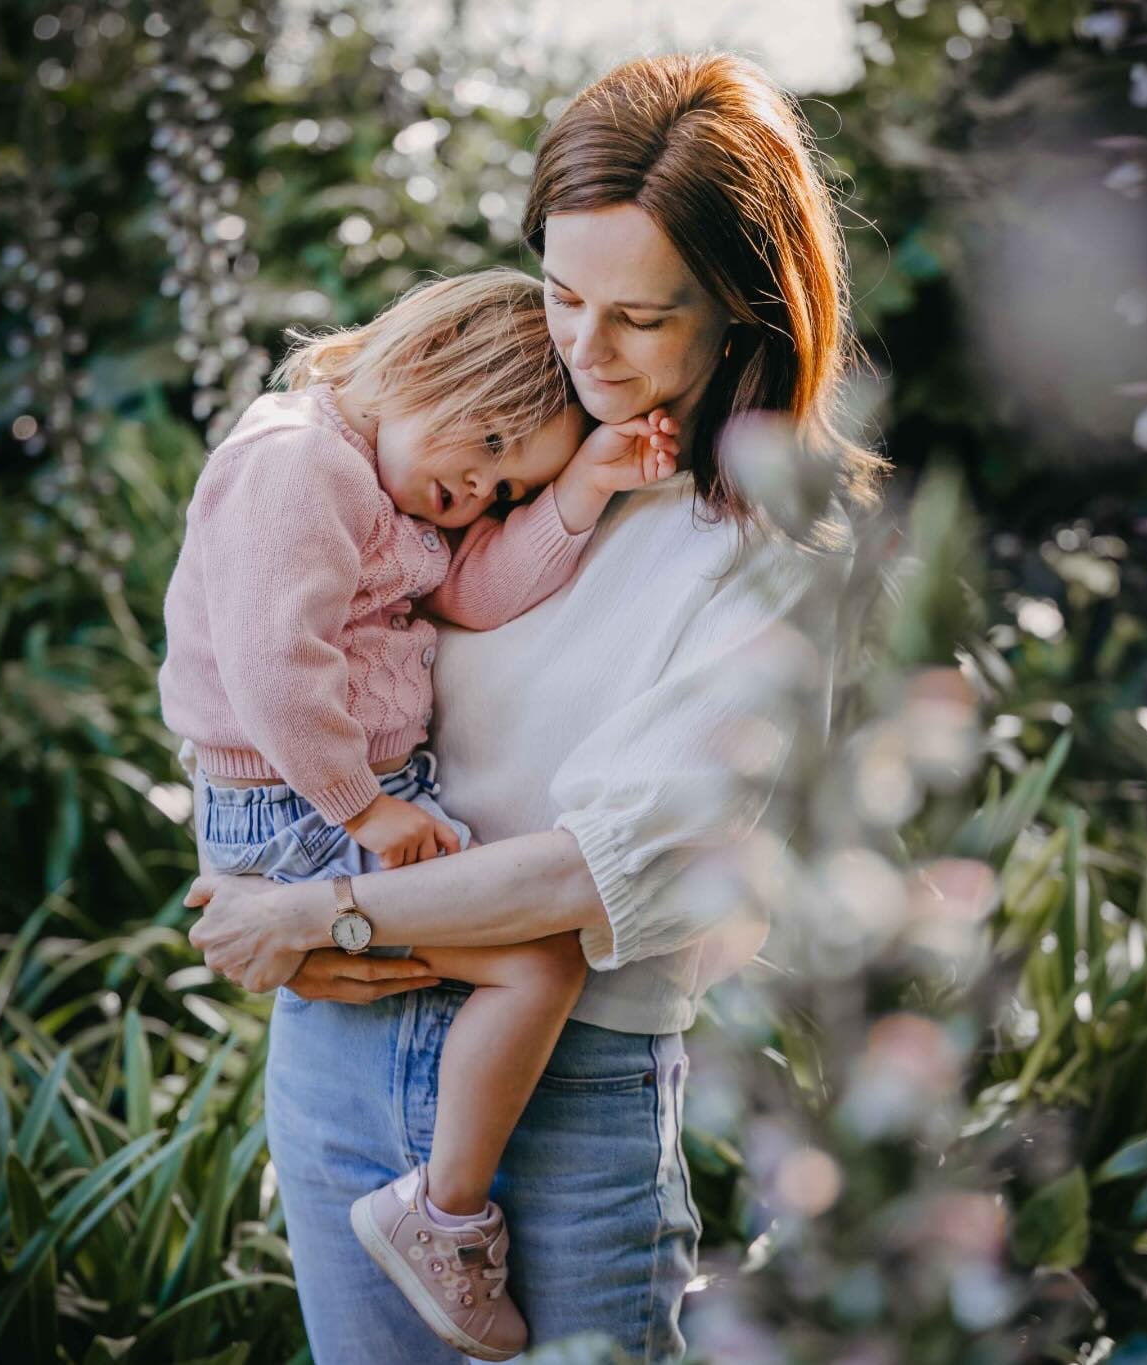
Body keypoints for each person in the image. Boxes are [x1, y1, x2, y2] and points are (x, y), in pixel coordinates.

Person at [186, 51, 888, 1363]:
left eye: (640, 317)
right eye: (563, 292)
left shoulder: (770, 546)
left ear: (745, 309)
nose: (585, 348)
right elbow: (315, 638)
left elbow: (604, 868)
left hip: (566, 1087)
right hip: (344, 1037)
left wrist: (312, 909)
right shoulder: (507, 433)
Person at [158, 268, 682, 1359]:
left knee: (533, 957)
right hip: (299, 805)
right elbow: (271, 667)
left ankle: (440, 1206)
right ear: (426, 364)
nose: (480, 492)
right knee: (538, 964)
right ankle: (445, 1220)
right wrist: (366, 809)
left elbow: (476, 592)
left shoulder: (386, 488)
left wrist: (576, 490)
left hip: (335, 802)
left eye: (505, 485)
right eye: (487, 447)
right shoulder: (295, 462)